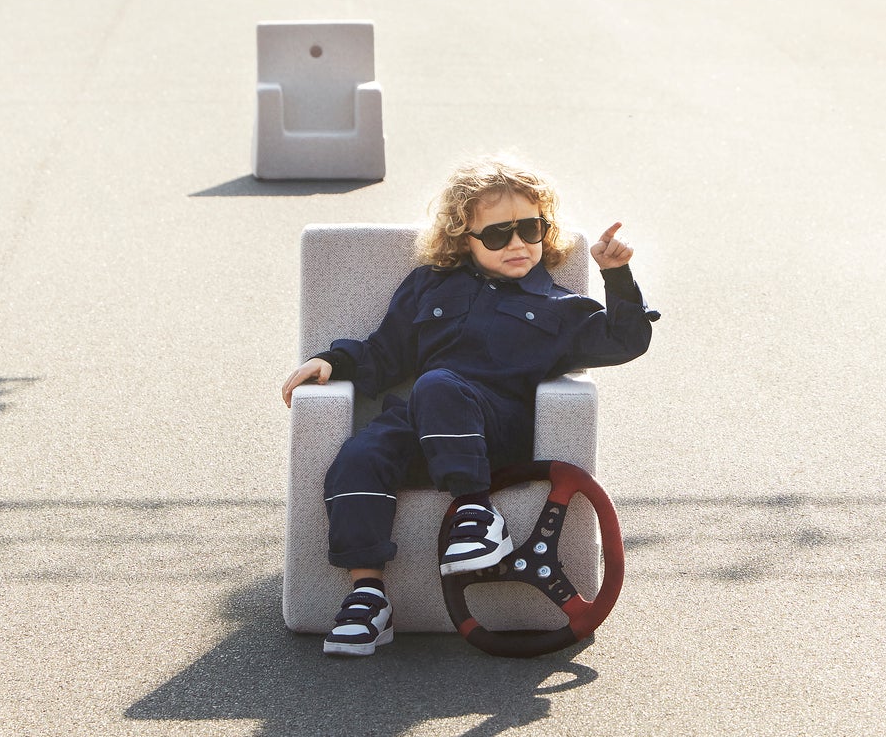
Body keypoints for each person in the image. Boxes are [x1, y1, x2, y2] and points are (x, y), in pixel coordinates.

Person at [280, 156, 659, 656]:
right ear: (465, 239)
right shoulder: (429, 286)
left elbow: (625, 340)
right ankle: (368, 596)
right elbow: (385, 352)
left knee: (440, 384)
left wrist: (617, 275)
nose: (518, 243)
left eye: (530, 228)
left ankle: (478, 514)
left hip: (493, 432)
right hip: (419, 420)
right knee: (359, 457)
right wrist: (332, 361)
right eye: (498, 234)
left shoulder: (558, 307)